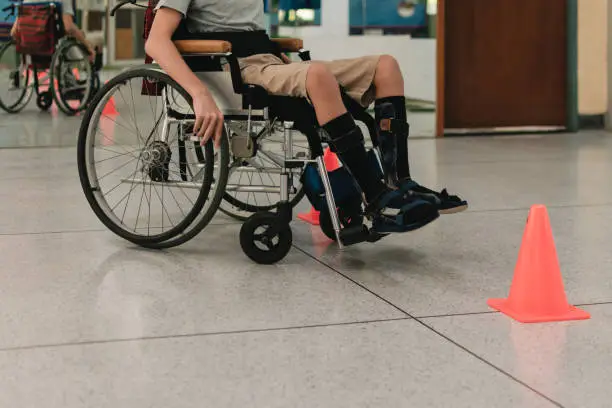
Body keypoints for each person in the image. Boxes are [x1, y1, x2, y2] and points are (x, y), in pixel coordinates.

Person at [145, 0, 467, 232]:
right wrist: (199, 94)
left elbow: (250, 31)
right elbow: (157, 42)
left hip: (268, 61)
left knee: (385, 66)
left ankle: (400, 181)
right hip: (233, 71)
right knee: (317, 76)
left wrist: (275, 52)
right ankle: (375, 196)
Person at [10, 0, 97, 60]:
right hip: (51, 48)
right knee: (75, 40)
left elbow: (14, 31)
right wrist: (87, 45)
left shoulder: (27, 2)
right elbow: (68, 27)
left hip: (30, 51)